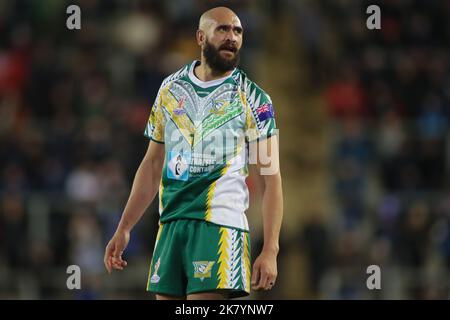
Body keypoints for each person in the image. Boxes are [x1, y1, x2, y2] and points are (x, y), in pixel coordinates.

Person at [104, 6, 283, 300]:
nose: (232, 37)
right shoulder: (170, 89)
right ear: (200, 37)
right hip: (171, 225)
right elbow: (151, 165)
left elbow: (270, 177)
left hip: (220, 227)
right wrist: (124, 228)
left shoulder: (255, 99)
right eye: (222, 29)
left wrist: (270, 249)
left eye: (237, 31)